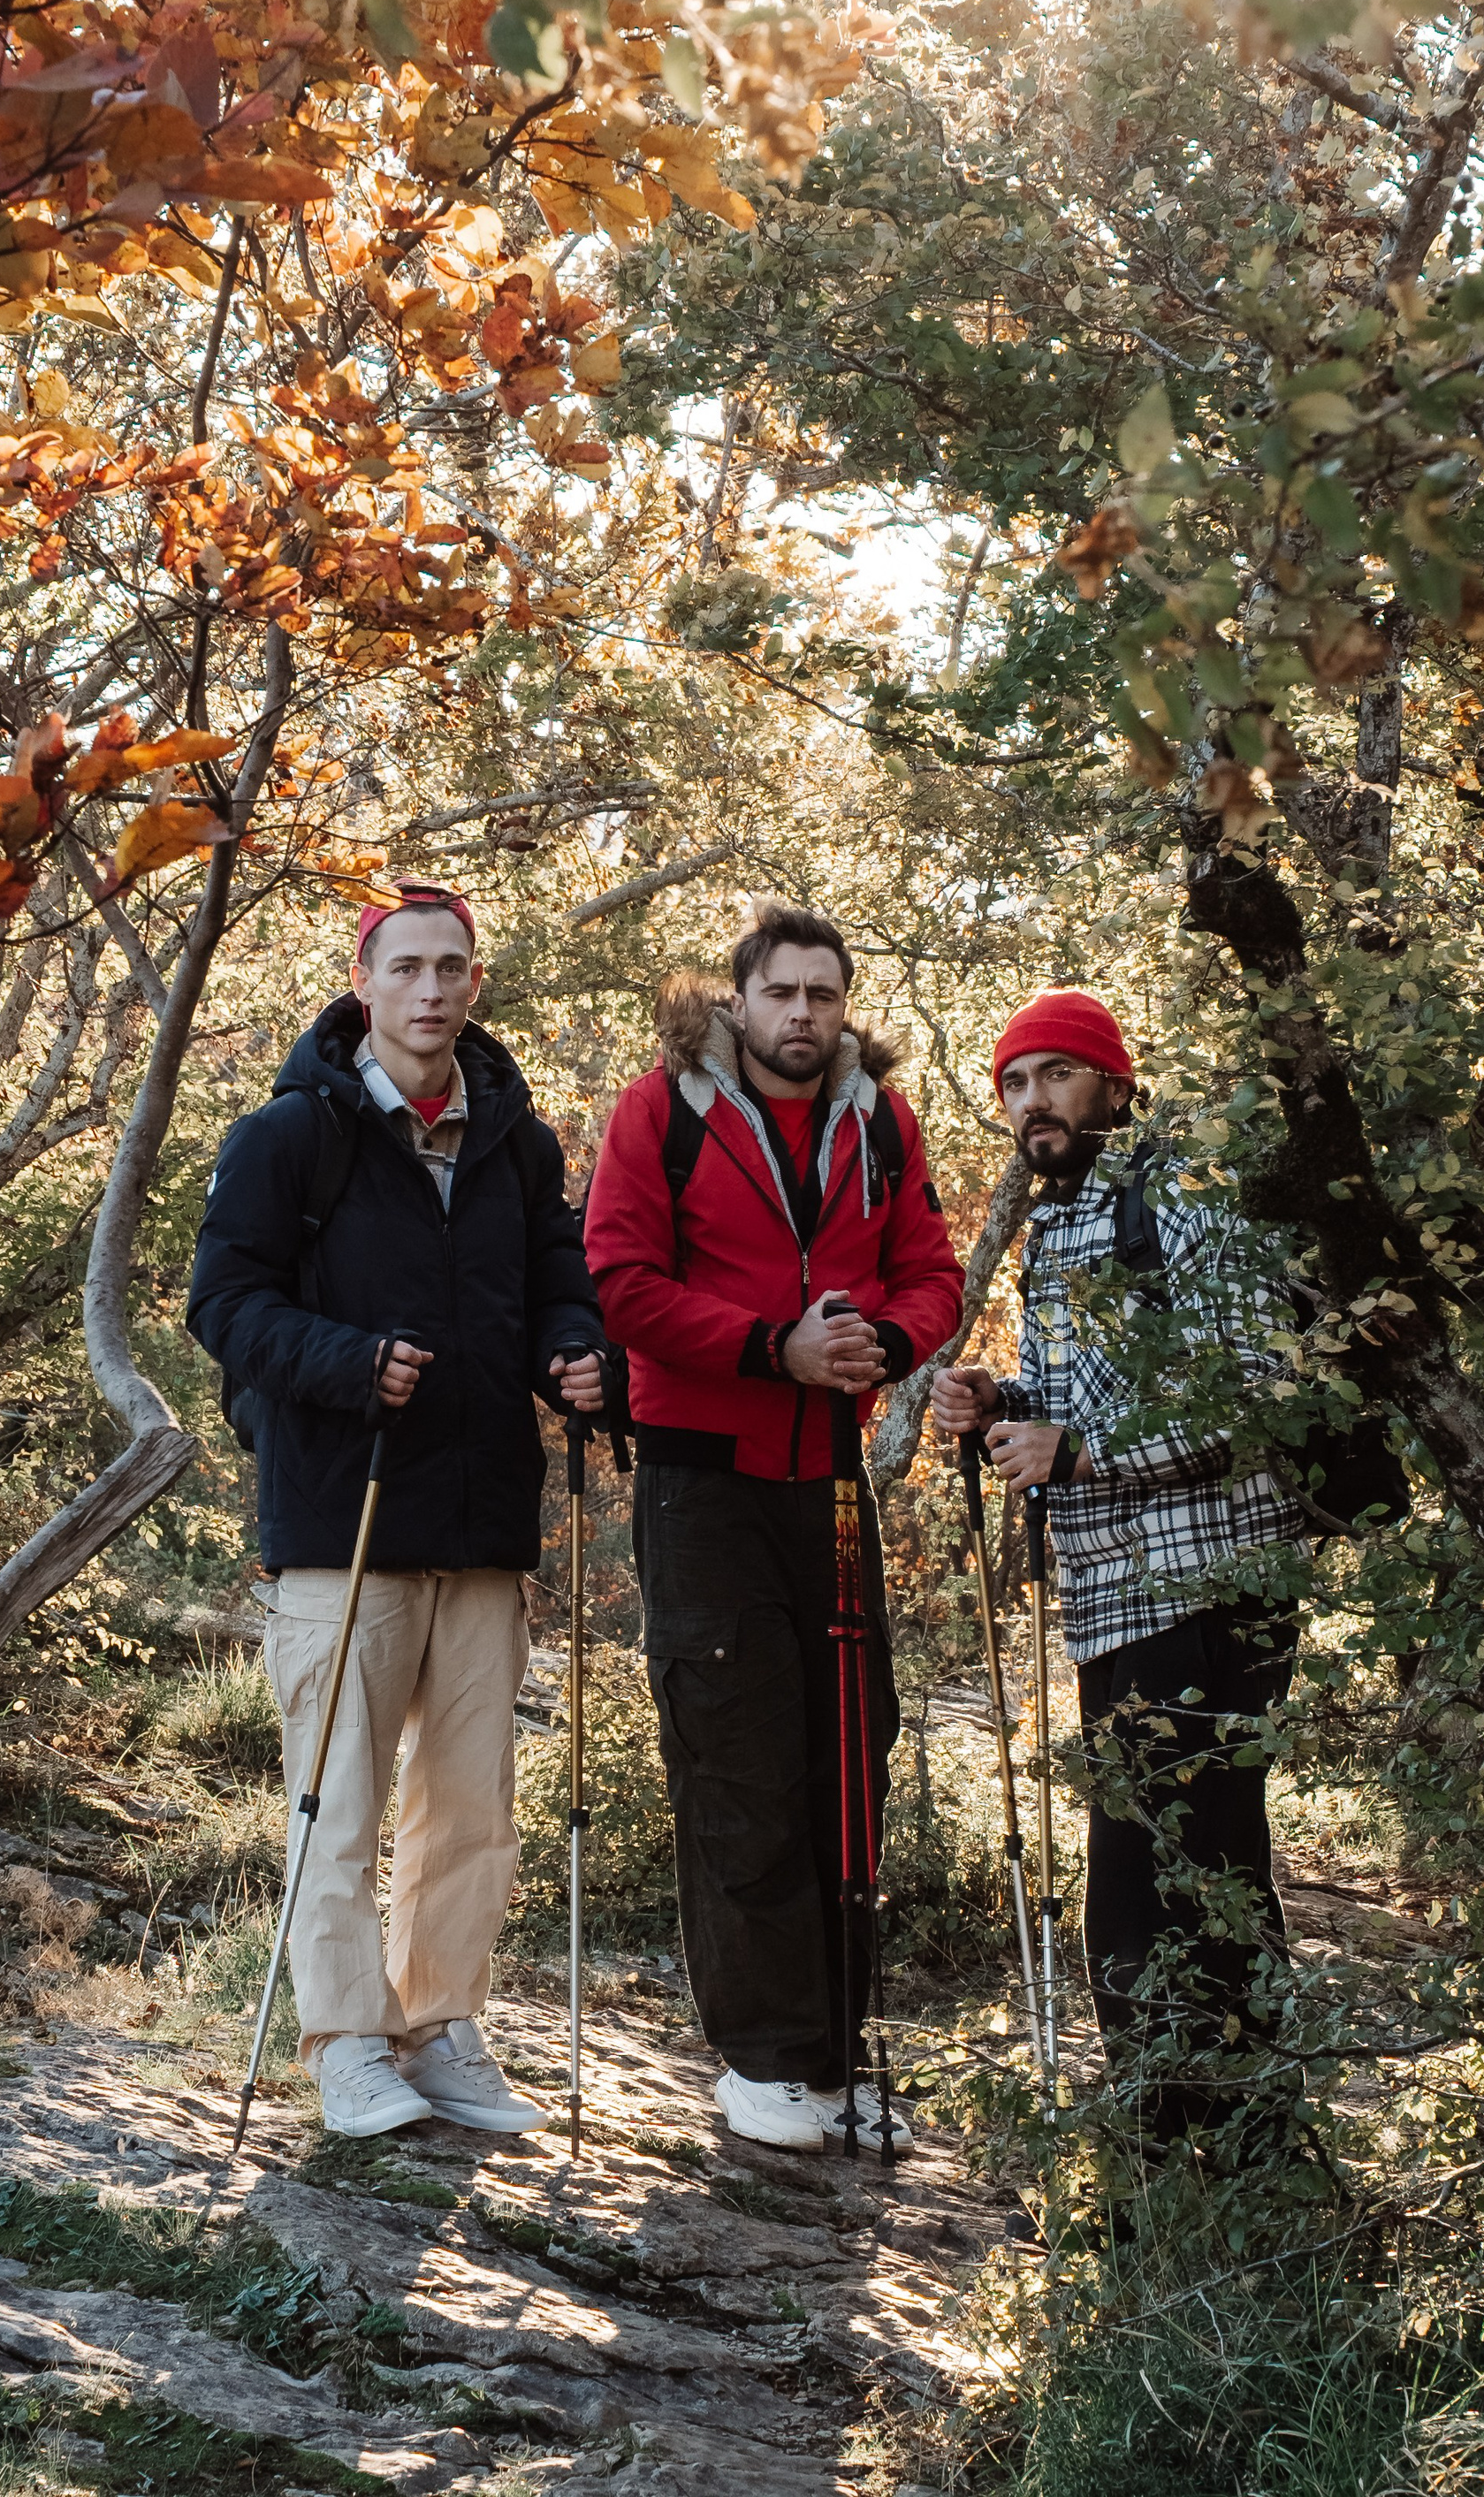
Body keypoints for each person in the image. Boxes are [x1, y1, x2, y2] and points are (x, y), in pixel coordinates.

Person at [188, 883, 609, 2140]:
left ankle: (439, 2026)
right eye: (409, 967)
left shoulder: (518, 1142)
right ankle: (345, 2039)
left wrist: (581, 1352)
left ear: (476, 983)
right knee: (340, 1795)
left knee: (473, 1800)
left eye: (454, 967)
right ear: (363, 982)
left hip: (483, 1526)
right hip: (341, 1520)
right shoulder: (288, 1137)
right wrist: (348, 1360)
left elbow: (557, 1284)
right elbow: (224, 1305)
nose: (433, 989)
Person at [583, 901, 964, 2153]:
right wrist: (772, 1348)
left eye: (824, 992)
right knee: (737, 1750)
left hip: (832, 1479)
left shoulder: (880, 1122)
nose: (804, 1012)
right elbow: (622, 1281)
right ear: (738, 1000)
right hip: (701, 1478)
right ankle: (765, 2058)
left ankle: (838, 2050)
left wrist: (878, 1347)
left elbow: (934, 1276)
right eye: (781, 991)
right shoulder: (661, 1112)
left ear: (842, 1004)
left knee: (852, 1747)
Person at [931, 988, 1305, 2141]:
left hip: (1208, 1586)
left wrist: (1080, 1450)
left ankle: (1233, 2142)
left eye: (1055, 1074)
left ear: (1114, 1083)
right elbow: (1079, 1397)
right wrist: (1003, 1400)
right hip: (1113, 1594)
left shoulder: (1187, 1188)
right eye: (1013, 1081)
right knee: (1142, 1863)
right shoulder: (1057, 1223)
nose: (1031, 1100)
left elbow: (1260, 1387)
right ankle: (1167, 2129)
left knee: (1198, 1867)